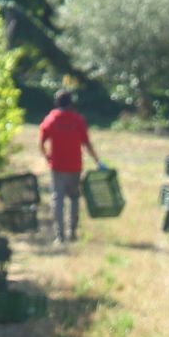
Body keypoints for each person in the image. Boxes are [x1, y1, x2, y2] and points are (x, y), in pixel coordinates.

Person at [38, 89, 101, 244]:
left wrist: (47, 157)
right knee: (73, 198)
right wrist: (97, 160)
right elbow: (86, 143)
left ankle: (60, 235)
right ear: (71, 103)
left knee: (57, 199)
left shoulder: (51, 119)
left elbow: (41, 142)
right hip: (74, 165)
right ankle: (72, 231)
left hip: (57, 165)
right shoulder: (77, 120)